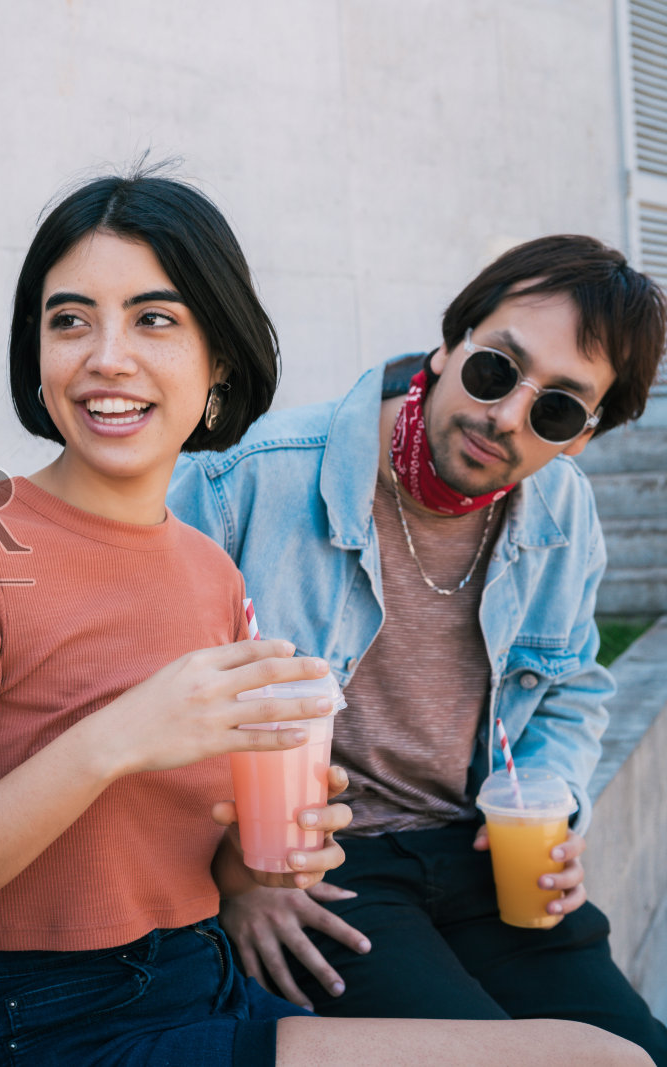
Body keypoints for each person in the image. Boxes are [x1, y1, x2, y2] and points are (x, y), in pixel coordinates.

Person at [0, 171, 650, 1065]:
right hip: (41, 1021)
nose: (107, 355)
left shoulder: (208, 570)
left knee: (608, 1054)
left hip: (208, 985)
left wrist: (267, 859)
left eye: (155, 320)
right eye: (69, 319)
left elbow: (187, 859)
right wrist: (118, 738)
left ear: (218, 361)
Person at [168, 235, 667, 1059]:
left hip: (480, 854)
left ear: (580, 436)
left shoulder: (563, 512)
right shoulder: (247, 481)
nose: (504, 416)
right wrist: (236, 873)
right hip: (326, 866)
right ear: (450, 342)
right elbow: (150, 688)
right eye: (496, 369)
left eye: (555, 411)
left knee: (634, 1048)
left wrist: (548, 796)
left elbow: (575, 683)